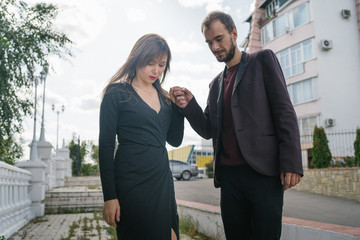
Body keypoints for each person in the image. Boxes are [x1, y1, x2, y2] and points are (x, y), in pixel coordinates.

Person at [170, 11, 303, 240]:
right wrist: (189, 105)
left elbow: (284, 112)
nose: (214, 47)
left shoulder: (263, 60)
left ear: (234, 33)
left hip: (263, 174)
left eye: (219, 39)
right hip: (230, 179)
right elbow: (208, 129)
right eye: (209, 43)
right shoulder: (215, 84)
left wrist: (291, 161)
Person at [99, 33, 184, 240]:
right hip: (131, 183)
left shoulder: (165, 98)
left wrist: (179, 109)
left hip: (162, 181)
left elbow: (175, 140)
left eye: (162, 65)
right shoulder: (116, 93)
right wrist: (110, 197)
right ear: (137, 59)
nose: (156, 71)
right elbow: (106, 147)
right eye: (150, 63)